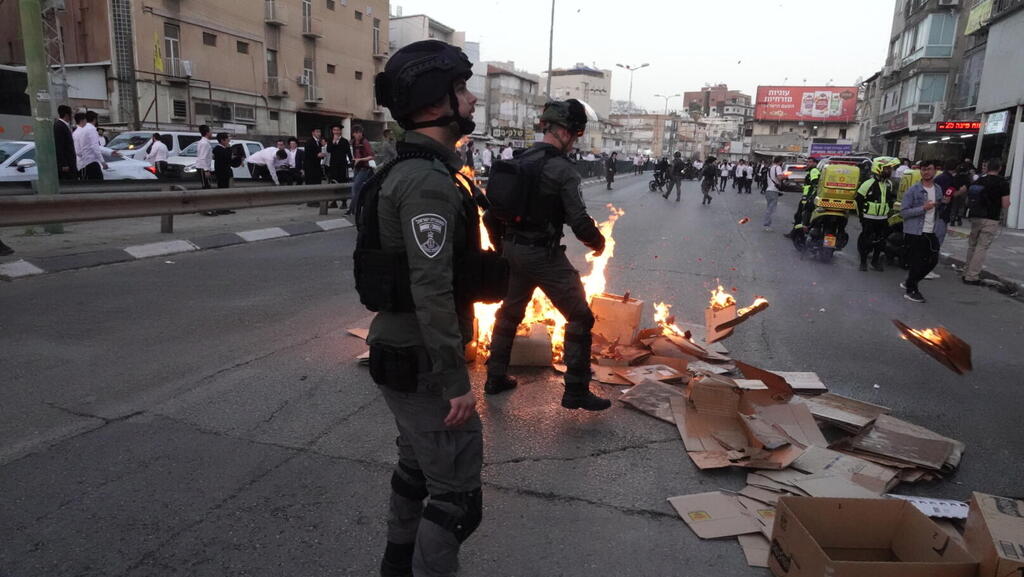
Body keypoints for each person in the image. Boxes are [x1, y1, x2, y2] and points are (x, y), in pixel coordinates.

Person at [366, 39, 483, 577]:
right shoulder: (427, 183)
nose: (472, 98)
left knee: (415, 473)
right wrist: (455, 379)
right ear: (438, 101)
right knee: (456, 500)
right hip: (424, 364)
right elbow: (430, 290)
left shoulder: (406, 170)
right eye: (462, 88)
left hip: (404, 354)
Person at [482, 98, 609, 413]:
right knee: (580, 316)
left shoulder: (520, 160)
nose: (574, 141)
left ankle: (495, 376)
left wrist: (504, 248)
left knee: (510, 313)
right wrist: (598, 243)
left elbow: (491, 213)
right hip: (542, 254)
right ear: (567, 132)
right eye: (576, 135)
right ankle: (576, 389)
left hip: (513, 249)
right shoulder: (562, 169)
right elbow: (578, 221)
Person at [898, 160, 947, 303]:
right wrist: (923, 208)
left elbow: (938, 208)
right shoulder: (913, 190)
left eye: (929, 169)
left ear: (934, 171)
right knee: (917, 262)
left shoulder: (938, 189)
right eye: (923, 170)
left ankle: (910, 281)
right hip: (915, 231)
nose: (926, 172)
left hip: (931, 230)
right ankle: (911, 290)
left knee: (933, 260)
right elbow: (904, 212)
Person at [963, 158, 1011, 286]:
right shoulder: (1002, 183)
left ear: (987, 167)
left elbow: (969, 199)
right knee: (982, 247)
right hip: (990, 218)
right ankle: (972, 276)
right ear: (1000, 168)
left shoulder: (979, 180)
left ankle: (966, 271)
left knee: (972, 245)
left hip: (975, 216)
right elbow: (1005, 204)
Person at [856, 156, 900, 271]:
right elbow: (858, 200)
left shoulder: (889, 184)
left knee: (881, 242)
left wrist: (890, 212)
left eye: (890, 169)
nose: (889, 171)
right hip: (869, 218)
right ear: (878, 169)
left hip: (883, 219)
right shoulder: (868, 184)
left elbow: (890, 200)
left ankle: (875, 261)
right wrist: (861, 217)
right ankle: (863, 262)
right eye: (887, 169)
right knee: (866, 241)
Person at [785, 157, 819, 238]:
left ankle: (796, 234)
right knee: (801, 216)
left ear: (815, 163)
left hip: (808, 198)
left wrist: (809, 197)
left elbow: (815, 184)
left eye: (810, 162)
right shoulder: (811, 171)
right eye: (807, 162)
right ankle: (796, 233)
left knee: (799, 216)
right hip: (808, 197)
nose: (808, 163)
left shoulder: (814, 171)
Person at [349, 124, 375, 215]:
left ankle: (355, 210)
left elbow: (372, 156)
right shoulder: (352, 142)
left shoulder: (365, 142)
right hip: (357, 167)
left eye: (360, 132)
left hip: (365, 168)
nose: (359, 134)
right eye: (356, 133)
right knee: (356, 189)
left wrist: (360, 159)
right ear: (353, 134)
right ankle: (354, 209)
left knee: (355, 188)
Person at [73, 111, 106, 180]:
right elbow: (95, 147)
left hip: (83, 163)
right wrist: (102, 162)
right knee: (99, 185)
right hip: (91, 162)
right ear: (94, 119)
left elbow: (78, 151)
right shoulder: (91, 129)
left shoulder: (79, 131)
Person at [53, 104, 77, 181]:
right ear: (67, 115)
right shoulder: (59, 126)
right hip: (66, 165)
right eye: (71, 114)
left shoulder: (64, 125)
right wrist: (63, 164)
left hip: (70, 163)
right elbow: (59, 146)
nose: (72, 116)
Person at [763, 156, 784, 229]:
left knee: (769, 207)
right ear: (780, 161)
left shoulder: (770, 167)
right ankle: (767, 225)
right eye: (782, 161)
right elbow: (779, 177)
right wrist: (785, 176)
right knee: (771, 209)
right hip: (774, 190)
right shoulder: (778, 167)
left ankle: (767, 224)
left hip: (768, 190)